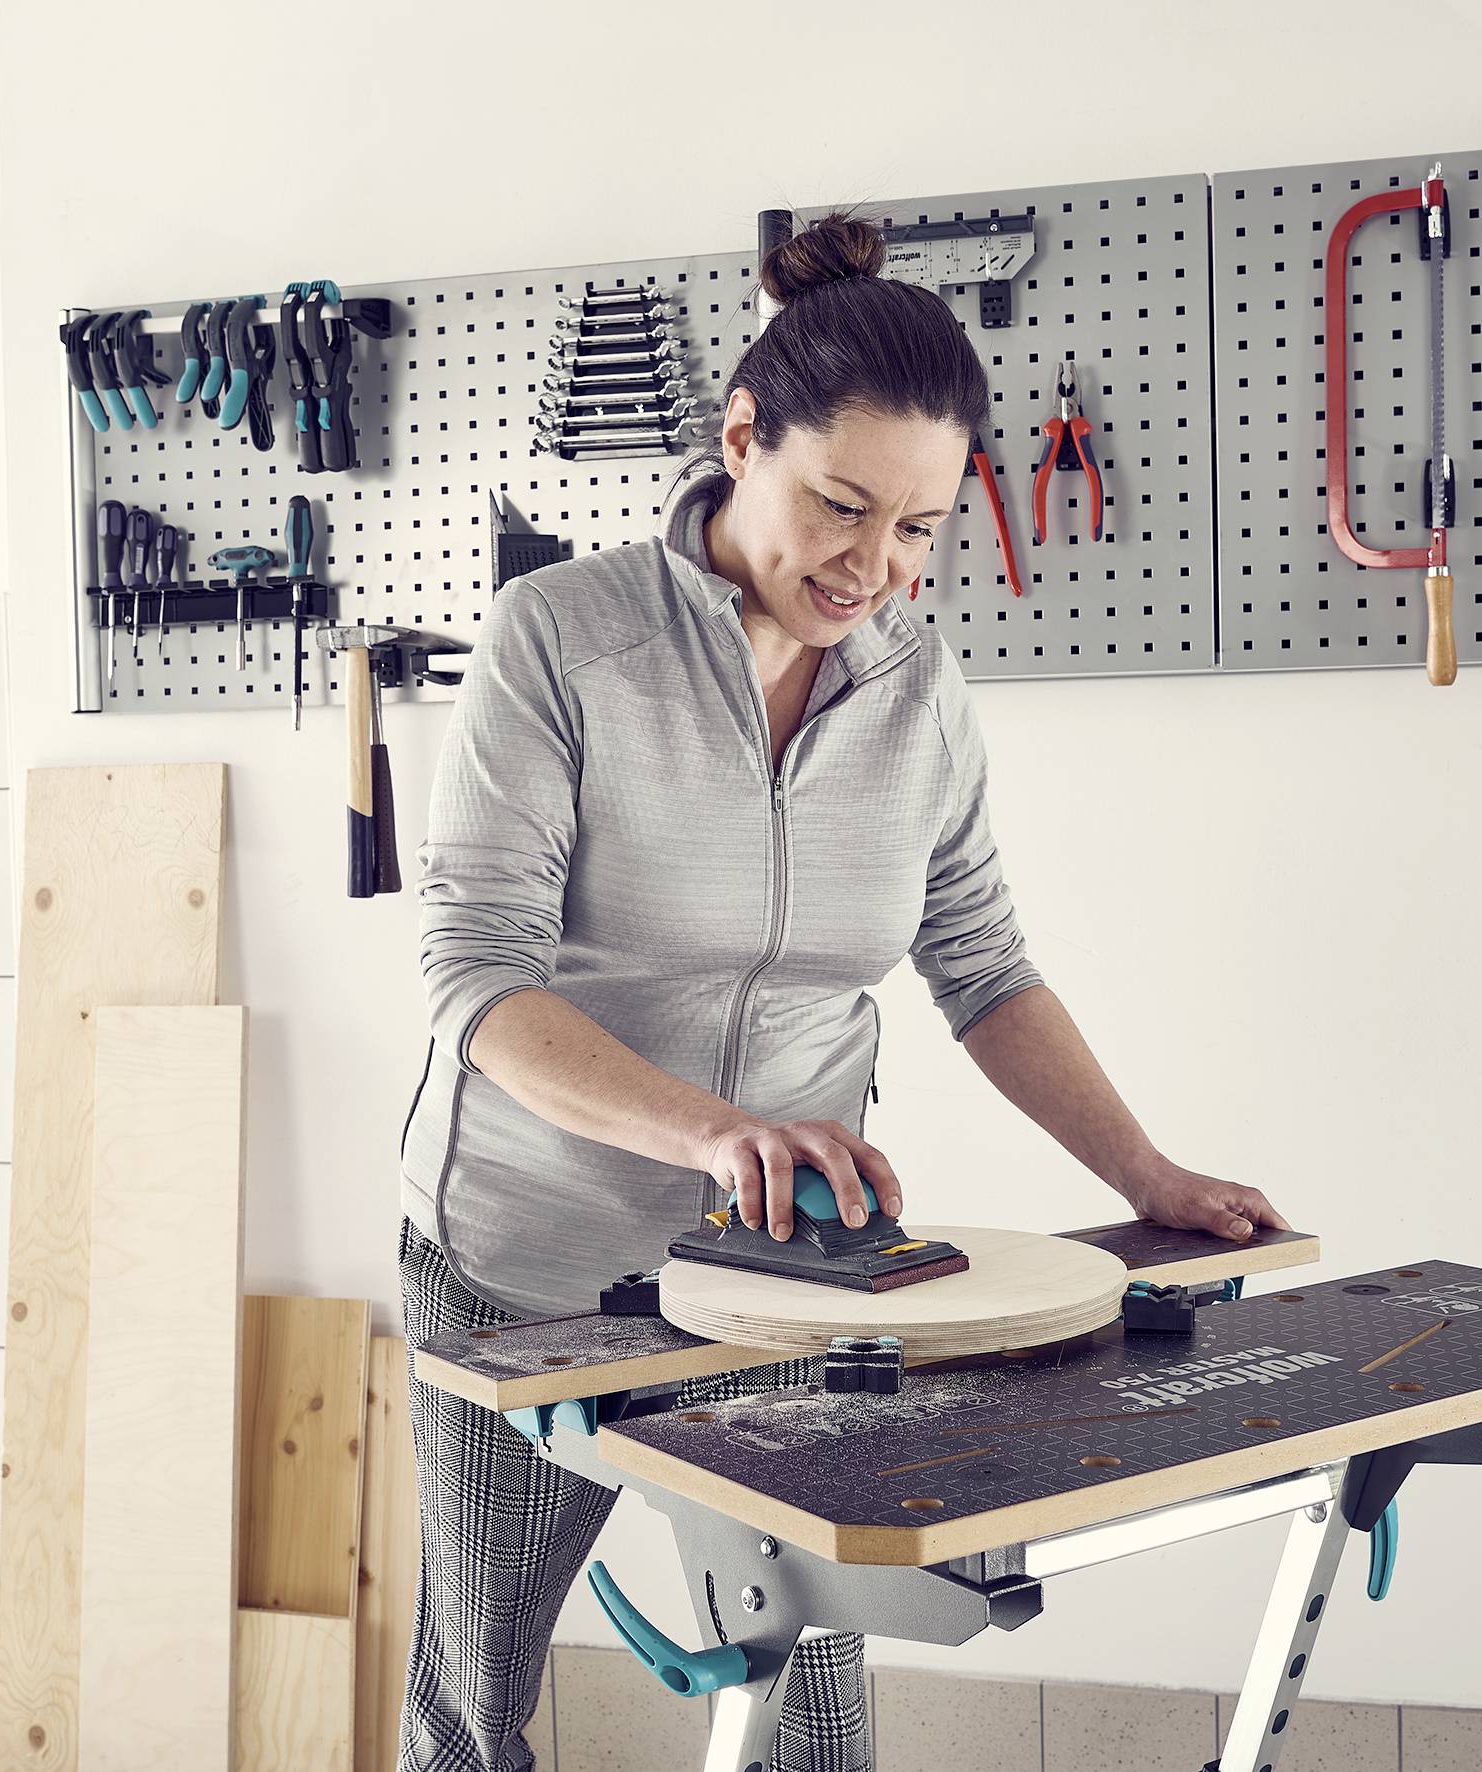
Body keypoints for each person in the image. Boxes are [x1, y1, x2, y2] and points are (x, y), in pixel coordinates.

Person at [394, 210, 1290, 1772]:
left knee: (808, 1692)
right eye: (839, 506)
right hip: (524, 1259)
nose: (874, 568)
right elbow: (475, 972)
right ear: (742, 438)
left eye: (923, 529)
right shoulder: (562, 639)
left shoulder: (916, 689)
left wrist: (1150, 1179)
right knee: (477, 1695)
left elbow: (984, 965)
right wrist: (710, 1130)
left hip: (788, 1270)